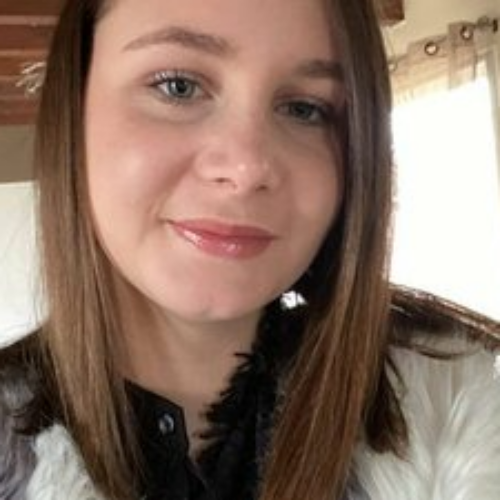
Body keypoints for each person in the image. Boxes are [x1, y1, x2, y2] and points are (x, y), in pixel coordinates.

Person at [1, 0, 500, 499]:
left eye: (305, 108)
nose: (247, 167)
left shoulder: (465, 429)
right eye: (178, 86)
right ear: (73, 108)